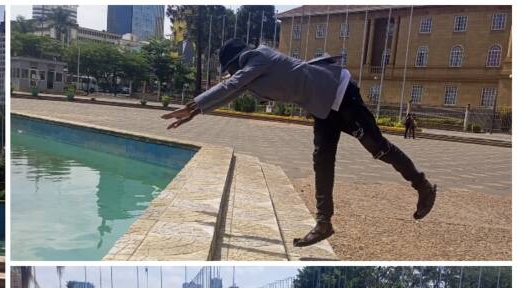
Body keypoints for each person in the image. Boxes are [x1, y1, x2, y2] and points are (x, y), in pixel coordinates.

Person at [162, 38, 436, 247]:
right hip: (322, 106)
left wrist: (193, 105)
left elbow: (230, 86)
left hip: (339, 92)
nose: (229, 73)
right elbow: (230, 92)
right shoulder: (249, 74)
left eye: (229, 68)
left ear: (236, 61)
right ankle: (324, 222)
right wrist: (195, 111)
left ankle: (422, 186)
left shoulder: (258, 57)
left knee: (379, 148)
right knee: (322, 161)